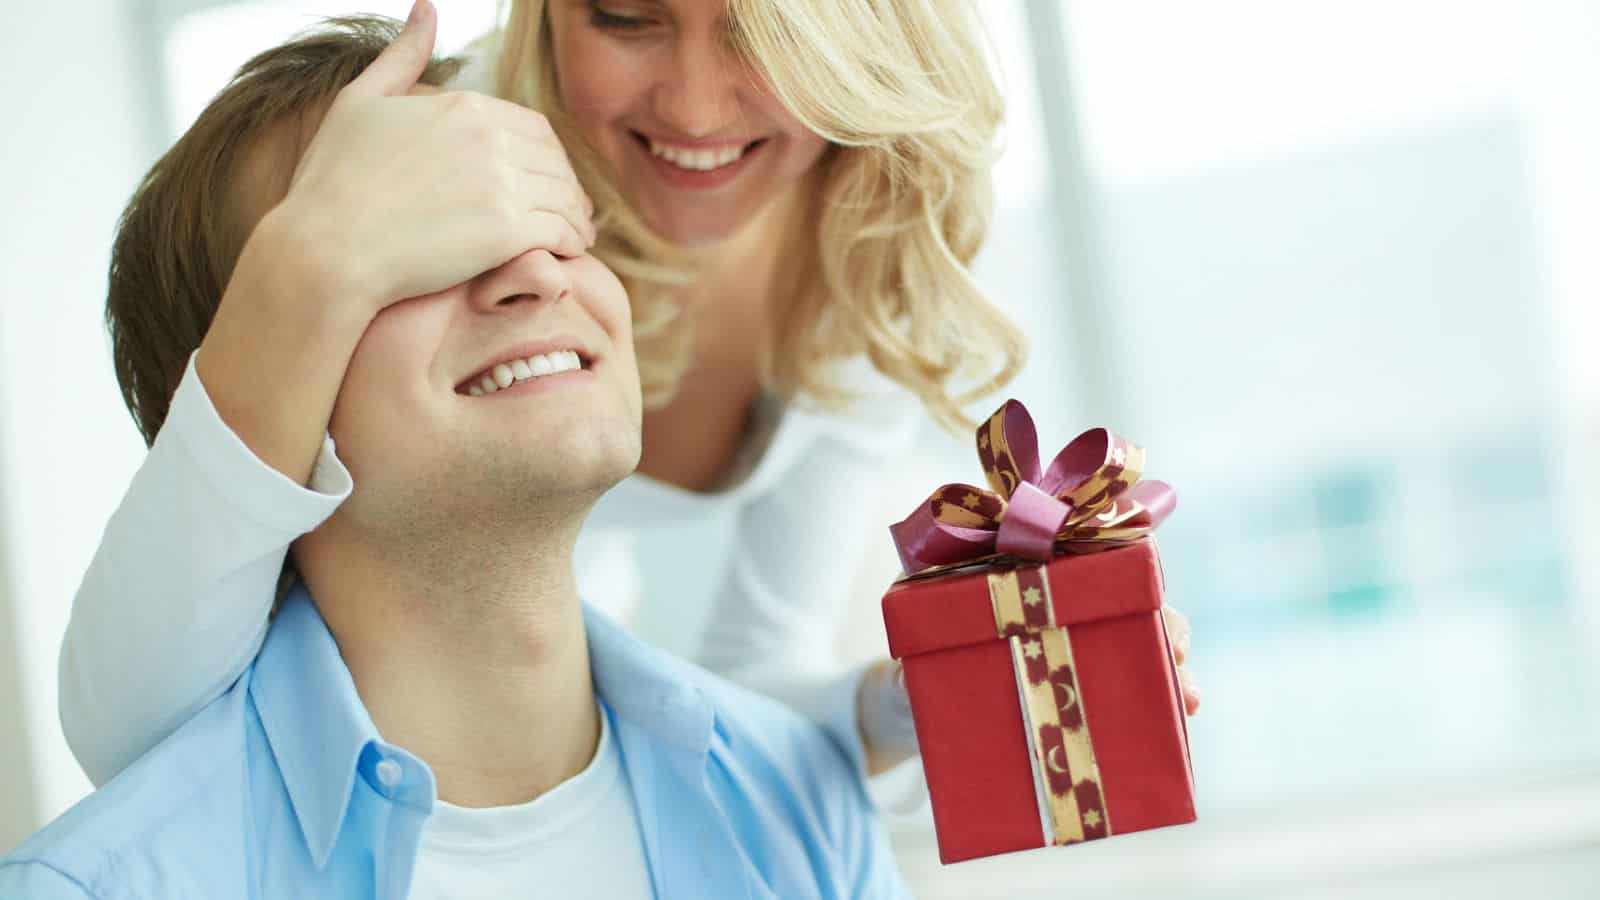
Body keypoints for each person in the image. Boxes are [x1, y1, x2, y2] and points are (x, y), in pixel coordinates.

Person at [59, 0, 1200, 798]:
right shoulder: (437, 164)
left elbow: (741, 680)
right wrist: (319, 261)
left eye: (769, 24)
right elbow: (130, 720)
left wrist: (898, 707)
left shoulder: (856, 266)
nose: (698, 109)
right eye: (624, 14)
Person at [0, 16, 909, 898]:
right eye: (408, 254)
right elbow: (120, 717)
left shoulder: (803, 824)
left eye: (553, 227)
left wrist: (897, 707)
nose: (538, 273)